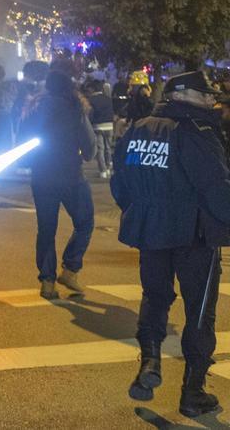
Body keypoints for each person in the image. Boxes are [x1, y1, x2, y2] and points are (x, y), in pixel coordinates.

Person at [113, 71, 230, 417]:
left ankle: (149, 362)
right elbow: (215, 186)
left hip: (152, 230)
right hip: (194, 235)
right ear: (186, 96)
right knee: (199, 313)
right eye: (206, 95)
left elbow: (121, 182)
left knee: (155, 296)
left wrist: (141, 210)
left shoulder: (139, 128)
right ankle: (193, 392)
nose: (212, 100)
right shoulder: (195, 131)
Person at [21, 70, 96, 299]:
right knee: (84, 222)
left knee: (46, 229)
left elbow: (22, 141)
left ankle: (47, 281)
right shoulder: (75, 107)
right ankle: (71, 268)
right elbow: (90, 147)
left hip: (42, 176)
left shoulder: (34, 108)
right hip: (70, 175)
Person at [86, 80, 115, 179]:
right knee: (108, 148)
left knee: (100, 149)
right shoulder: (108, 99)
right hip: (109, 125)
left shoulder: (91, 100)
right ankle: (109, 166)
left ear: (92, 89)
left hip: (98, 126)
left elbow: (90, 114)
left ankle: (103, 170)